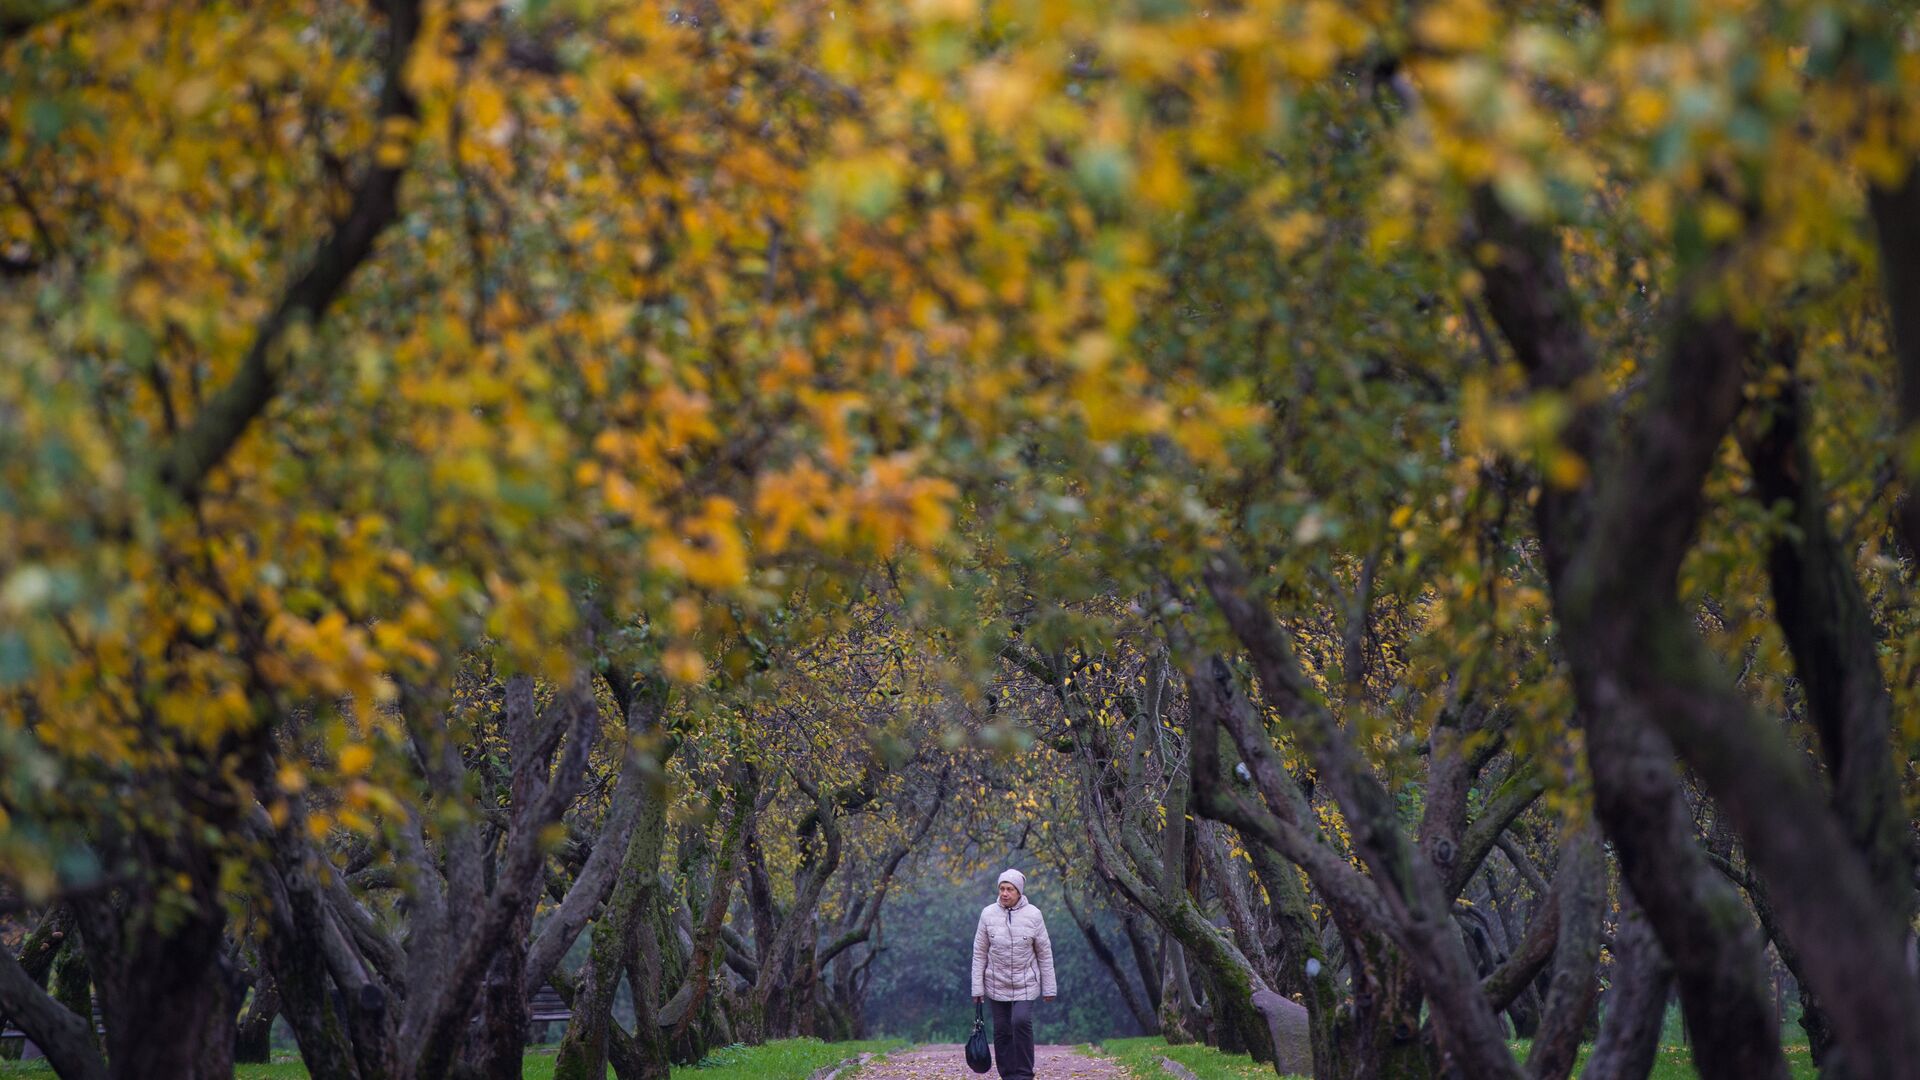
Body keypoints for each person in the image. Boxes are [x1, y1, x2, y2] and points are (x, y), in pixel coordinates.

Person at [970, 868, 1057, 1080]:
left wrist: (1049, 987)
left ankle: (1025, 1074)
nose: (1005, 893)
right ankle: (1008, 1074)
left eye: (1010, 889)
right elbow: (979, 953)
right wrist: (977, 988)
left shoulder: (1034, 915)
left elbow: (1044, 953)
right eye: (1002, 888)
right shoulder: (988, 914)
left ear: (1019, 892)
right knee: (1002, 1030)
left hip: (1026, 982)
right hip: (996, 982)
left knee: (1020, 1021)